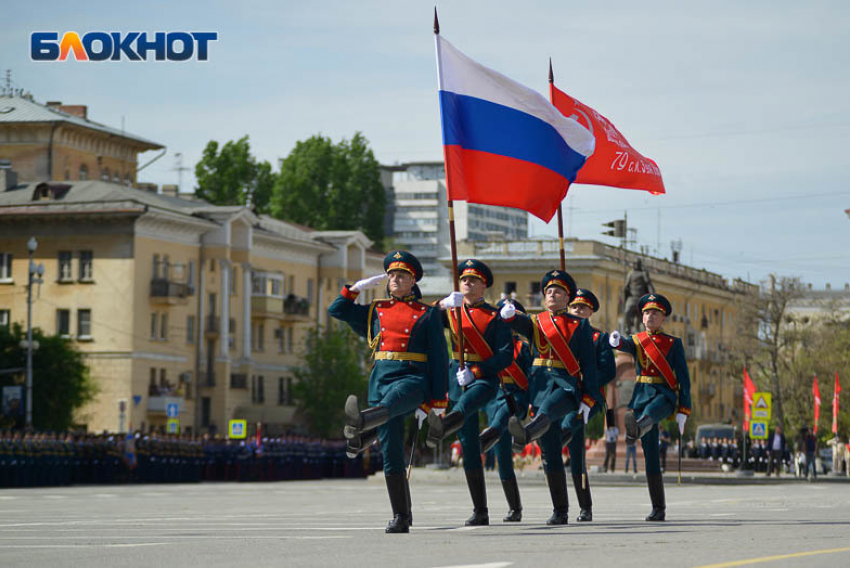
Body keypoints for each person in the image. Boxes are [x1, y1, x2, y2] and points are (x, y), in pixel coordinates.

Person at [329, 250, 448, 534]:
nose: (395, 278)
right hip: (381, 378)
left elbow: (440, 358)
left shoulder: (427, 313)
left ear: (413, 281)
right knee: (392, 454)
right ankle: (401, 516)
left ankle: (359, 424)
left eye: (402, 275)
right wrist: (354, 289)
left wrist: (438, 401)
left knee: (392, 404)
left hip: (412, 378)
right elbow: (337, 311)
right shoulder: (376, 310)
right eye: (392, 275)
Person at [501, 270, 599, 525]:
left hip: (566, 387)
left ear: (568, 297)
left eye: (557, 291)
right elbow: (520, 324)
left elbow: (588, 365)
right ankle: (561, 510)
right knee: (551, 453)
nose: (551, 294)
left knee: (548, 409)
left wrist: (589, 398)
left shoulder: (580, 325)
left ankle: (525, 434)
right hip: (540, 385)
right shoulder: (536, 322)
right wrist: (510, 315)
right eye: (548, 291)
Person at [425, 259, 513, 526]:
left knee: (468, 405)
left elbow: (505, 355)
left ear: (484, 284)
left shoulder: (496, 316)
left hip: (483, 379)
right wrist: (439, 305)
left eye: (473, 280)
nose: (467, 283)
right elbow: (422, 324)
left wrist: (476, 371)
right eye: (464, 279)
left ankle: (442, 425)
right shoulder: (451, 311)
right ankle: (480, 511)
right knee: (471, 448)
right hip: (455, 380)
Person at [609, 293, 691, 522]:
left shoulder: (674, 343)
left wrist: (684, 410)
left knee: (651, 413)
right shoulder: (637, 340)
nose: (650, 316)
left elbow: (684, 378)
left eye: (655, 313)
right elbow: (625, 343)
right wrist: (615, 340)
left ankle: (636, 427)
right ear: (642, 317)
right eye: (646, 312)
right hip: (641, 395)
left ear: (663, 317)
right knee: (652, 456)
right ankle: (658, 508)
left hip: (664, 396)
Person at [558, 288, 617, 522]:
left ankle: (585, 507)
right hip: (564, 395)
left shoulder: (598, 338)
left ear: (590, 312)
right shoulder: (561, 334)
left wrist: (586, 383)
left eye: (582, 308)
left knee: (571, 433)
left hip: (588, 399)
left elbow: (608, 370)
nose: (577, 311)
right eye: (574, 307)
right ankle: (572, 506)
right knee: (573, 451)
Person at [480, 298, 533, 522]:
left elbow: (533, 378)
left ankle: (482, 440)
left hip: (516, 400)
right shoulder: (491, 348)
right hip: (495, 399)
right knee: (503, 457)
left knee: (502, 417)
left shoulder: (524, 348)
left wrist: (532, 404)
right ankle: (515, 508)